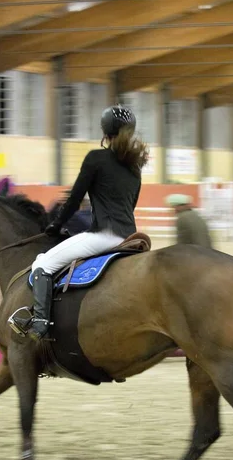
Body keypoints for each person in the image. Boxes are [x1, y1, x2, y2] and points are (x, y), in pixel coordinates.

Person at [10, 105, 149, 340]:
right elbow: (130, 205)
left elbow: (74, 200)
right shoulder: (135, 168)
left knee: (42, 265)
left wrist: (55, 224)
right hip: (129, 237)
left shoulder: (96, 158)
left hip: (103, 236)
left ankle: (40, 324)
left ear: (105, 132)